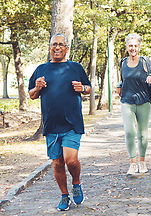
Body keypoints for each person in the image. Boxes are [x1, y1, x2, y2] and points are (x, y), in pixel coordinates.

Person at [28, 33, 91, 211]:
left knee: (71, 161)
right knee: (57, 163)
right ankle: (64, 196)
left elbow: (88, 87)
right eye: (54, 44)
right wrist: (37, 87)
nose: (57, 47)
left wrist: (83, 88)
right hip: (51, 124)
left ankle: (76, 183)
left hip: (72, 123)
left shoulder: (76, 67)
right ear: (50, 47)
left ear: (67, 48)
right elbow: (32, 95)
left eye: (61, 45)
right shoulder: (41, 69)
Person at [116, 33, 151, 175]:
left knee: (142, 134)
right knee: (129, 132)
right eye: (130, 45)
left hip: (143, 101)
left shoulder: (145, 61)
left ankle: (142, 161)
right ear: (127, 47)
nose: (133, 48)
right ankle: (132, 163)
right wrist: (119, 85)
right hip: (127, 101)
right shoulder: (123, 62)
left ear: (139, 47)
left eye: (135, 45)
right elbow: (123, 79)